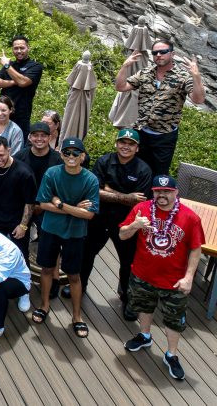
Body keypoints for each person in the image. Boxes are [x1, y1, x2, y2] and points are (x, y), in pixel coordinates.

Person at [120, 174, 204, 381]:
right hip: (142, 274)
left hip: (173, 281)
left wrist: (189, 277)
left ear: (176, 192)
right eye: (158, 191)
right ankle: (145, 336)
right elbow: (122, 234)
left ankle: (171, 354)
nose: (162, 195)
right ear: (153, 193)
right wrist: (135, 226)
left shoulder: (190, 218)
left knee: (174, 320)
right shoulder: (142, 210)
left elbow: (195, 249)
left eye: (167, 191)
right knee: (143, 307)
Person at [75, 128, 152, 319]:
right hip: (99, 218)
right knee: (86, 254)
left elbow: (140, 201)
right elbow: (94, 192)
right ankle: (80, 286)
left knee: (128, 262)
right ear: (116, 143)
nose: (126, 146)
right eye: (122, 142)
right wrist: (125, 196)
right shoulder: (104, 161)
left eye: (131, 144)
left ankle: (126, 296)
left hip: (126, 223)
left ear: (137, 148)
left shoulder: (143, 170)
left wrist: (109, 191)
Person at [33, 137, 100, 338]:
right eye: (67, 153)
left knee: (74, 276)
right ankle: (44, 306)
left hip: (75, 233)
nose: (71, 157)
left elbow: (89, 214)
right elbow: (42, 204)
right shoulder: (52, 173)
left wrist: (60, 204)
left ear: (83, 156)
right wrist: (73, 208)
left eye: (75, 153)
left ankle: (77, 317)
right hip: (50, 229)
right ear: (61, 155)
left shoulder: (91, 180)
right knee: (46, 269)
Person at [115, 38, 206, 176]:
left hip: (164, 137)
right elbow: (121, 87)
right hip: (142, 131)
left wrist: (196, 76)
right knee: (135, 171)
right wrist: (125, 66)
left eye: (163, 52)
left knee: (159, 174)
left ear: (172, 54)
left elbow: (198, 99)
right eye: (155, 52)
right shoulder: (145, 73)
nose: (158, 55)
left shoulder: (182, 77)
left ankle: (153, 197)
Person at [0, 35, 43, 136]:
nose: (19, 51)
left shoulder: (35, 66)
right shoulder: (11, 65)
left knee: (18, 148)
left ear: (28, 48)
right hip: (2, 113)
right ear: (12, 49)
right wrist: (14, 82)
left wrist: (6, 66)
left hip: (21, 116)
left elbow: (23, 82)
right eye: (16, 48)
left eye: (22, 48)